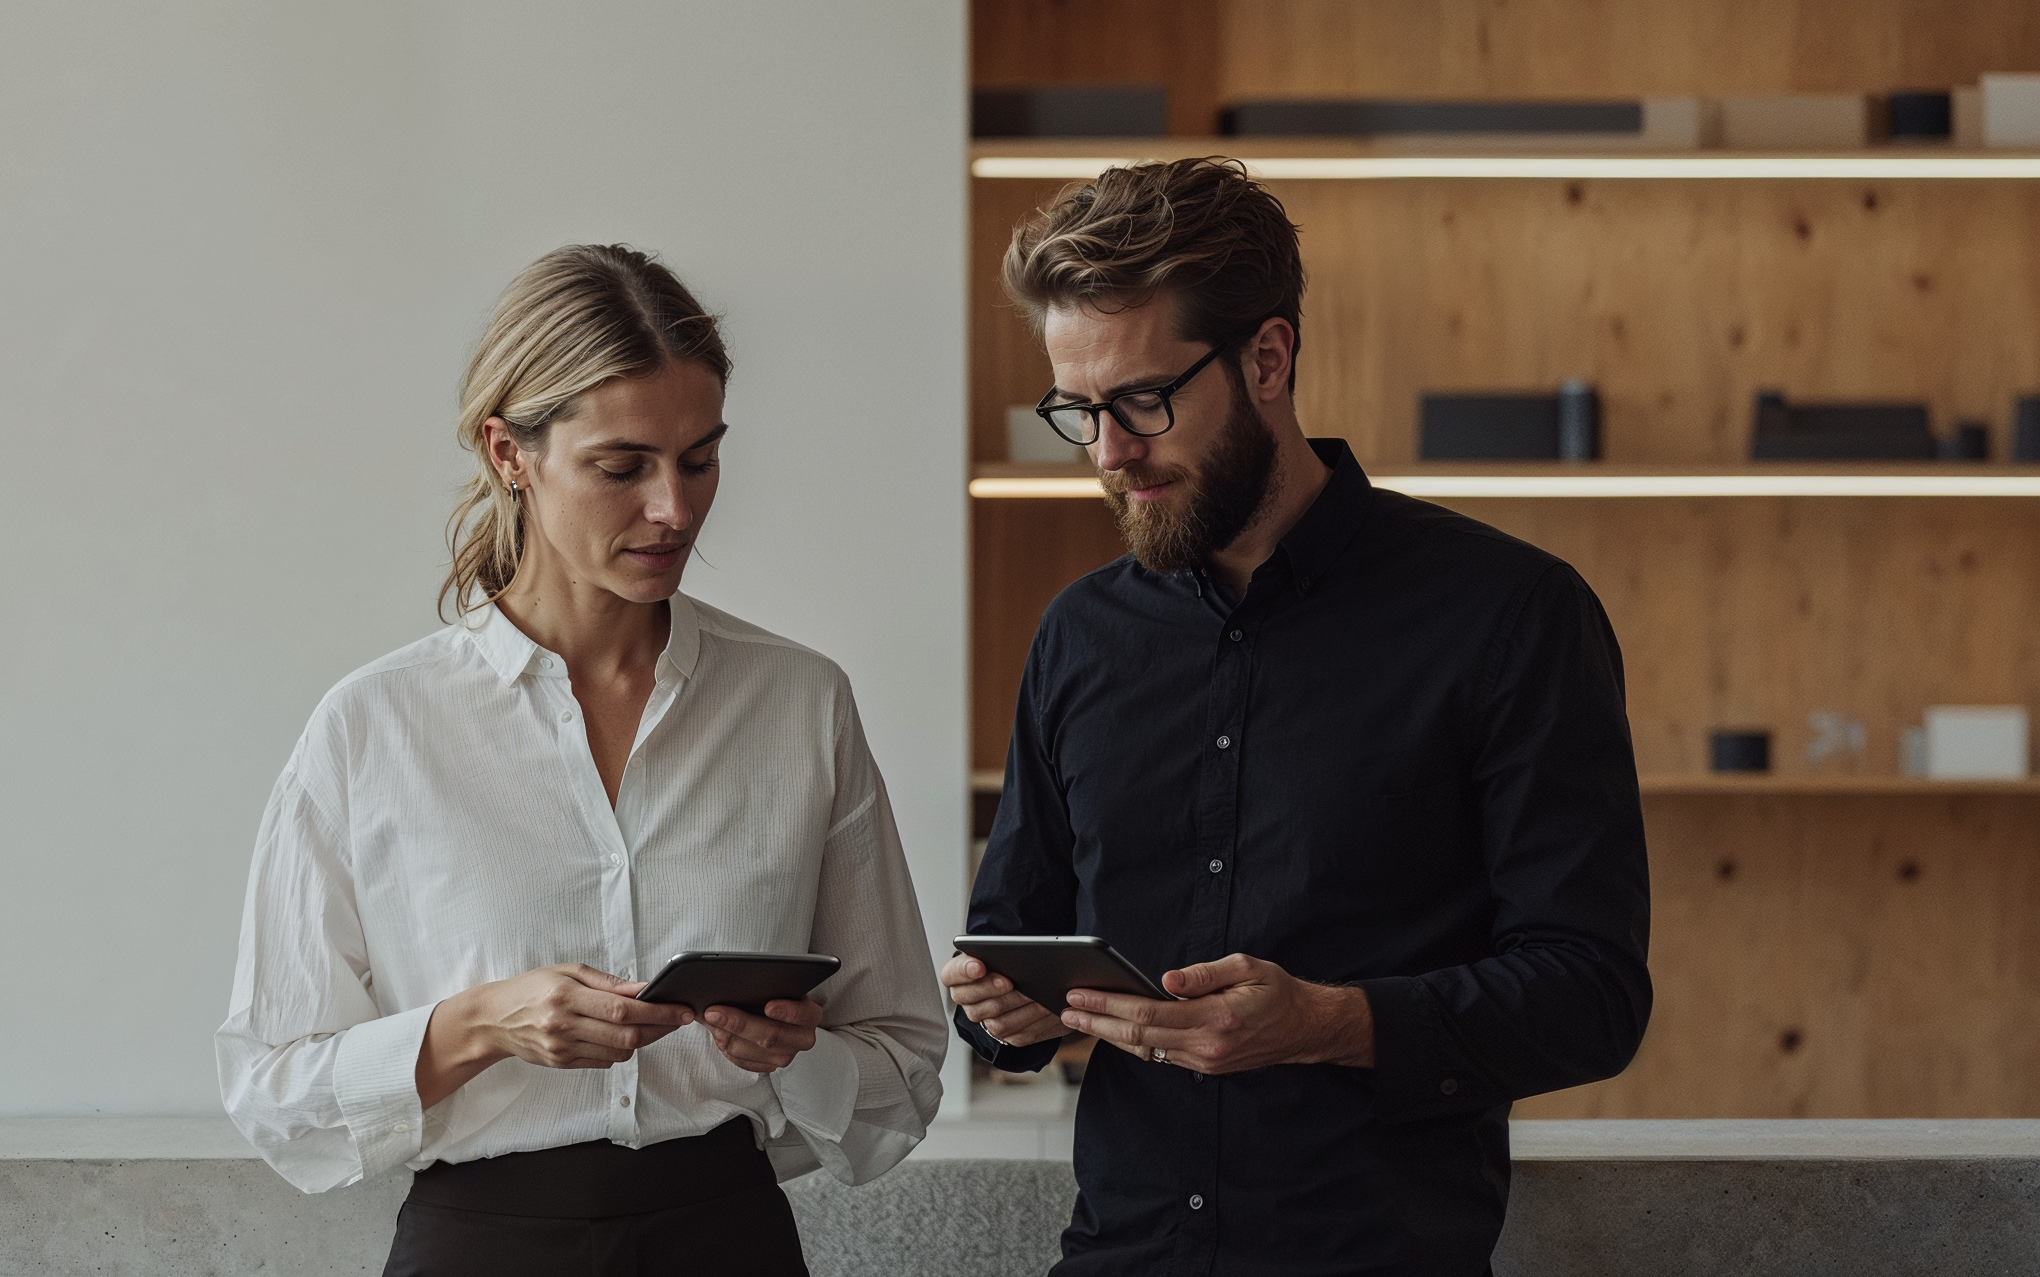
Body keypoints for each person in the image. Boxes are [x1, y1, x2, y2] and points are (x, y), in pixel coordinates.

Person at [945, 159, 1651, 1276]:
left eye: (1140, 402)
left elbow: (1591, 996)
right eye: (1075, 412)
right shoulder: (1077, 636)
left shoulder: (1510, 615)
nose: (1107, 454)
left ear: (1266, 358)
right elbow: (1010, 946)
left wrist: (1325, 1021)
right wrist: (999, 1010)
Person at [220, 245, 943, 1277]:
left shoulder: (799, 704)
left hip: (727, 1242)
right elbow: (274, 1089)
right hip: (479, 1248)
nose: (674, 510)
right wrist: (480, 1024)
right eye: (621, 467)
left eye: (699, 459)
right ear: (509, 453)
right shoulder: (373, 727)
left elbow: (902, 1061)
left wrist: (795, 1057)